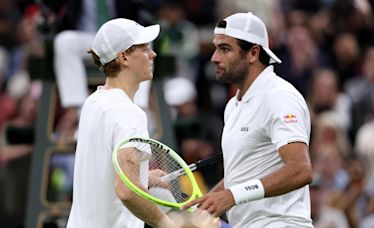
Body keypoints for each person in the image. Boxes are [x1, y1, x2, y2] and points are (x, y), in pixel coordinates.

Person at [182, 12, 313, 227]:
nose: (214, 57)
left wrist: (232, 196)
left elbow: (301, 169)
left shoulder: (279, 97)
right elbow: (241, 176)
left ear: (253, 53)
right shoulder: (233, 106)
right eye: (216, 48)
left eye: (225, 49)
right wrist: (204, 205)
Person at [66, 18, 176, 228]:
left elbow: (103, 172)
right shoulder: (129, 114)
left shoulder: (93, 102)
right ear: (123, 57)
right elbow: (126, 191)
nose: (153, 54)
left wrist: (143, 177)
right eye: (144, 49)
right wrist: (167, 224)